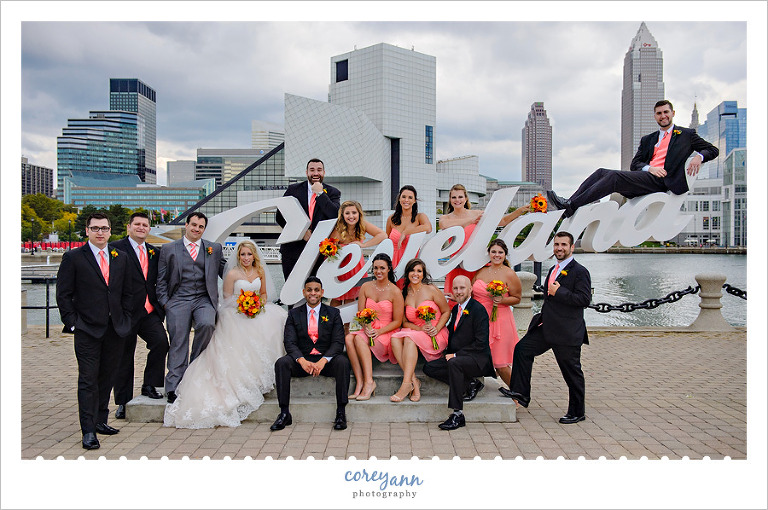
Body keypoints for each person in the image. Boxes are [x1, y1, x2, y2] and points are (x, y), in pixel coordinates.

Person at [164, 241, 288, 428]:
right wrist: (244, 306)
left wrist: (257, 305)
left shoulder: (260, 272)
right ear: (238, 256)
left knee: (278, 319)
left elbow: (263, 294)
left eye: (249, 254)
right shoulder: (231, 274)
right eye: (243, 255)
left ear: (254, 255)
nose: (246, 258)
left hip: (256, 310)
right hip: (235, 311)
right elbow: (227, 298)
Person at [547, 100, 719, 218]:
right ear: (655, 116)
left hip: (665, 182)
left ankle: (571, 205)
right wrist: (650, 168)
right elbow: (635, 164)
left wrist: (699, 156)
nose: (663, 116)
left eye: (666, 112)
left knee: (613, 177)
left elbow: (712, 149)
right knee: (601, 172)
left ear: (672, 113)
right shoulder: (648, 139)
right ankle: (569, 204)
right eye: (659, 113)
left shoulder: (686, 135)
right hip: (646, 177)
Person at [56, 212, 133, 449]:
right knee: (88, 380)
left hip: (115, 329)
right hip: (87, 329)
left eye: (105, 228)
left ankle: (101, 421)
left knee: (107, 377)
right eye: (95, 228)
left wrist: (126, 320)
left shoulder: (120, 257)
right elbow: (63, 294)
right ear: (87, 231)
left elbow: (128, 292)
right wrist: (72, 322)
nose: (100, 232)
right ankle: (88, 430)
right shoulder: (74, 257)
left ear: (111, 231)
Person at [500, 231, 592, 424]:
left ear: (571, 247)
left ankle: (577, 411)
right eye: (557, 244)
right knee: (522, 350)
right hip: (547, 327)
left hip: (567, 332)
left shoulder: (580, 271)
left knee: (572, 372)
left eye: (563, 245)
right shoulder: (553, 269)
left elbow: (584, 299)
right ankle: (521, 393)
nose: (559, 248)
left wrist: (560, 292)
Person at [156, 211, 226, 404]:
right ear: (186, 225)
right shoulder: (169, 249)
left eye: (201, 226)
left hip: (204, 298)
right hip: (178, 299)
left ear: (204, 229)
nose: (196, 229)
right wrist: (166, 303)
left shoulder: (214, 248)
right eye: (193, 225)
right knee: (178, 339)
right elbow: (161, 280)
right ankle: (172, 386)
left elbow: (226, 272)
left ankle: (194, 371)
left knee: (207, 325)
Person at [271, 277, 351, 431]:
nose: (312, 293)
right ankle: (284, 413)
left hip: (325, 362)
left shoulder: (333, 313)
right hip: (303, 362)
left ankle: (341, 411)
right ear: (304, 292)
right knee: (282, 363)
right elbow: (289, 342)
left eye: (316, 290)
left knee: (343, 362)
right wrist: (301, 360)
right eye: (309, 290)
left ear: (322, 292)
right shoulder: (294, 314)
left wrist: (323, 361)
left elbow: (338, 342)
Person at [110, 212, 169, 420]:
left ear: (149, 229)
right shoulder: (115, 249)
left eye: (145, 225)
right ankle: (123, 402)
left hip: (148, 311)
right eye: (137, 224)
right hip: (125, 312)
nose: (141, 228)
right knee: (124, 355)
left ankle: (150, 385)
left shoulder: (155, 252)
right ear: (129, 227)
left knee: (161, 343)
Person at [423, 275, 495, 430]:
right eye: (455, 288)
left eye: (462, 288)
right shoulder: (456, 308)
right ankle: (470, 383)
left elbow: (481, 343)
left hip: (478, 358)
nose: (458, 291)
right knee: (429, 367)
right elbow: (452, 333)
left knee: (454, 363)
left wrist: (455, 355)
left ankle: (457, 414)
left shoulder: (478, 310)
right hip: (459, 357)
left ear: (470, 289)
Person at [389, 259, 450, 403]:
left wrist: (436, 328)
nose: (415, 274)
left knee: (409, 339)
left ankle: (405, 385)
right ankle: (413, 381)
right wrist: (419, 328)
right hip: (417, 330)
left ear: (423, 274)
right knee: (395, 338)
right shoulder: (404, 293)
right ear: (407, 273)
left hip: (435, 332)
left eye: (419, 271)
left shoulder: (431, 289)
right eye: (412, 270)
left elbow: (446, 311)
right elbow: (404, 321)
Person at [345, 253, 404, 400]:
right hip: (368, 328)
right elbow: (360, 313)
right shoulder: (366, 287)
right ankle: (359, 382)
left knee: (358, 339)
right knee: (348, 339)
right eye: (376, 268)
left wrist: (378, 331)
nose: (378, 271)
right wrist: (366, 327)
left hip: (386, 331)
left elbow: (398, 321)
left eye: (382, 268)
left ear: (389, 269)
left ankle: (369, 382)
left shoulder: (396, 291)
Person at [275, 158, 341, 281]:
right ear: (306, 173)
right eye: (312, 170)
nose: (316, 173)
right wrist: (301, 231)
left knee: (316, 290)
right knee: (292, 290)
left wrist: (321, 194)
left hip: (320, 251)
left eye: (319, 170)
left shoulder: (332, 192)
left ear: (324, 172)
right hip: (293, 249)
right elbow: (280, 216)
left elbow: (334, 215)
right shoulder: (293, 190)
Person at [471, 239, 522, 389]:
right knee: (481, 358)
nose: (497, 255)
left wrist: (501, 301)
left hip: (500, 320)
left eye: (500, 252)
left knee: (500, 364)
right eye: (494, 252)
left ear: (505, 254)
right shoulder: (481, 271)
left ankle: (518, 393)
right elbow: (472, 293)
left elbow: (517, 298)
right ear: (489, 253)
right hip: (481, 320)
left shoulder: (509, 274)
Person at [328, 200, 387, 307]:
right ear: (342, 215)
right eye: (347, 213)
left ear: (359, 214)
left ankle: (347, 324)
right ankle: (334, 323)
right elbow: (330, 246)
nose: (351, 216)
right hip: (341, 266)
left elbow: (382, 235)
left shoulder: (362, 225)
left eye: (354, 213)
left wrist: (364, 245)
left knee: (351, 297)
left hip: (355, 266)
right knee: (337, 297)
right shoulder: (338, 228)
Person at [439, 184, 483, 302]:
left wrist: (520, 212)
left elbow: (501, 220)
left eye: (460, 197)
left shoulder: (477, 214)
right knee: (454, 301)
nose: (457, 200)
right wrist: (471, 221)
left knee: (476, 300)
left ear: (466, 198)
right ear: (450, 200)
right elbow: (443, 225)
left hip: (474, 264)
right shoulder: (445, 218)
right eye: (454, 197)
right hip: (456, 265)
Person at [385, 185, 432, 270]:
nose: (406, 200)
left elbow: (428, 228)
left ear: (414, 201)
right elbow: (386, 241)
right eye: (403, 197)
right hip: (393, 262)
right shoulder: (391, 219)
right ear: (399, 199)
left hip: (412, 262)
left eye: (410, 197)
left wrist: (406, 232)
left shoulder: (420, 217)